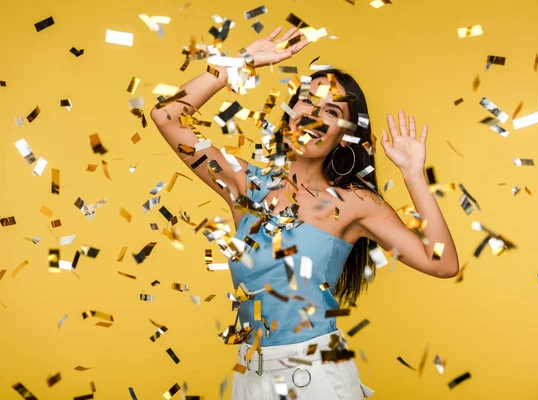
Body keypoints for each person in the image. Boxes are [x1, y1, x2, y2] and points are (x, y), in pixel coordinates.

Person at [151, 26, 459, 400]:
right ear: (288, 114)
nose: (313, 115)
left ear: (344, 134)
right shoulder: (244, 184)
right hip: (249, 376)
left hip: (316, 378)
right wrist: (241, 62)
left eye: (331, 110)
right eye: (307, 102)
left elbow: (441, 263)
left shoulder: (355, 202)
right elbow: (167, 116)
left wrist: (413, 175)